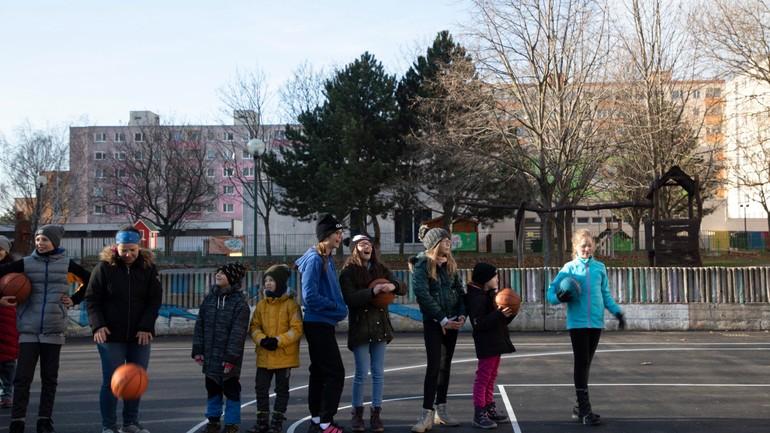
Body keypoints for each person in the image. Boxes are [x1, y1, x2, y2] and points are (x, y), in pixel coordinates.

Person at [0, 225, 90, 433]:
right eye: (38, 240)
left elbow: (92, 280)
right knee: (22, 378)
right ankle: (17, 421)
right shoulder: (26, 264)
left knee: (50, 379)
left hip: (53, 329)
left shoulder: (67, 264)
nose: (40, 243)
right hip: (28, 328)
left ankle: (44, 420)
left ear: (55, 243)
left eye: (45, 240)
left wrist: (74, 299)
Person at [85, 226, 163, 433]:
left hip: (140, 335)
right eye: (123, 250)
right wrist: (98, 325)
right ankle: (109, 426)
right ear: (116, 248)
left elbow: (154, 301)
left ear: (139, 247)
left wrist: (146, 326)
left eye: (132, 250)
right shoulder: (103, 268)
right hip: (110, 335)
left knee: (135, 379)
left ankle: (130, 423)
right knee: (112, 381)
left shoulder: (148, 269)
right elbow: (92, 299)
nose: (128, 254)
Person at [547, 229, 625, 426]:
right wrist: (558, 297)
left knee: (587, 363)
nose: (587, 249)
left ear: (594, 246)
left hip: (596, 322)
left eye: (590, 245)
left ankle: (577, 407)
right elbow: (550, 292)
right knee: (581, 363)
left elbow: (605, 294)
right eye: (583, 245)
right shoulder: (569, 268)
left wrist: (616, 312)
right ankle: (584, 409)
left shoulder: (600, 268)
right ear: (575, 246)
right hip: (578, 323)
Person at [339, 234, 407, 433]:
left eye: (368, 244)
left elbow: (401, 286)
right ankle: (357, 414)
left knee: (378, 373)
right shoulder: (348, 272)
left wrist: (392, 286)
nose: (366, 247)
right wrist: (373, 292)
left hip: (379, 326)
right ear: (354, 249)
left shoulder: (381, 269)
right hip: (360, 328)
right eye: (362, 244)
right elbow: (350, 299)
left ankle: (376, 413)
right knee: (361, 373)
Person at [295, 213, 348, 433]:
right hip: (317, 323)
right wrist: (336, 307)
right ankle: (326, 421)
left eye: (341, 232)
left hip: (322, 323)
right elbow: (310, 296)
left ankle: (317, 419)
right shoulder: (316, 260)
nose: (340, 236)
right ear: (325, 235)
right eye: (337, 233)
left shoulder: (326, 259)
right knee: (336, 373)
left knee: (318, 372)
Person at [410, 228, 466, 433]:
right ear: (434, 244)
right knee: (434, 367)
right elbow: (422, 295)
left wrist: (461, 315)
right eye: (444, 240)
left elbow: (460, 291)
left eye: (449, 239)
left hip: (452, 322)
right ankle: (426, 414)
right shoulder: (422, 264)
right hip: (435, 323)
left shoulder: (449, 265)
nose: (449, 242)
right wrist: (441, 319)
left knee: (445, 367)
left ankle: (441, 410)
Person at [193, 263, 250, 433]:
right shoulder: (209, 299)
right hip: (210, 356)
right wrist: (198, 349)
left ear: (232, 278)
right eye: (218, 272)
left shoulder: (239, 304)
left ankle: (232, 423)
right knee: (212, 388)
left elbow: (238, 334)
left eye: (223, 273)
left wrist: (230, 358)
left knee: (231, 390)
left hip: (228, 359)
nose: (218, 275)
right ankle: (213, 420)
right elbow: (199, 325)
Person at [246, 264, 303, 433]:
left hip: (284, 356)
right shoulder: (261, 305)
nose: (268, 284)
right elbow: (254, 326)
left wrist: (278, 341)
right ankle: (262, 421)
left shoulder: (291, 306)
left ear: (279, 282)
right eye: (266, 280)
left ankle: (277, 420)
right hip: (264, 356)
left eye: (271, 280)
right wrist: (262, 340)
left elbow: (296, 329)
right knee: (261, 388)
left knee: (281, 389)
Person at [465, 263, 515, 429]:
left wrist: (508, 314)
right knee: (483, 377)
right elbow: (479, 322)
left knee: (492, 375)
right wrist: (498, 314)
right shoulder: (477, 298)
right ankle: (479, 412)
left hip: (495, 341)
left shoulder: (489, 295)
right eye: (495, 276)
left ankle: (487, 406)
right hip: (486, 343)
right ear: (486, 280)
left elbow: (499, 320)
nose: (497, 279)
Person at [0, 236, 19, 410]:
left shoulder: (14, 271)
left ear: (6, 251)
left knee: (8, 360)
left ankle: (7, 393)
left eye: (0, 248)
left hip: (8, 318)